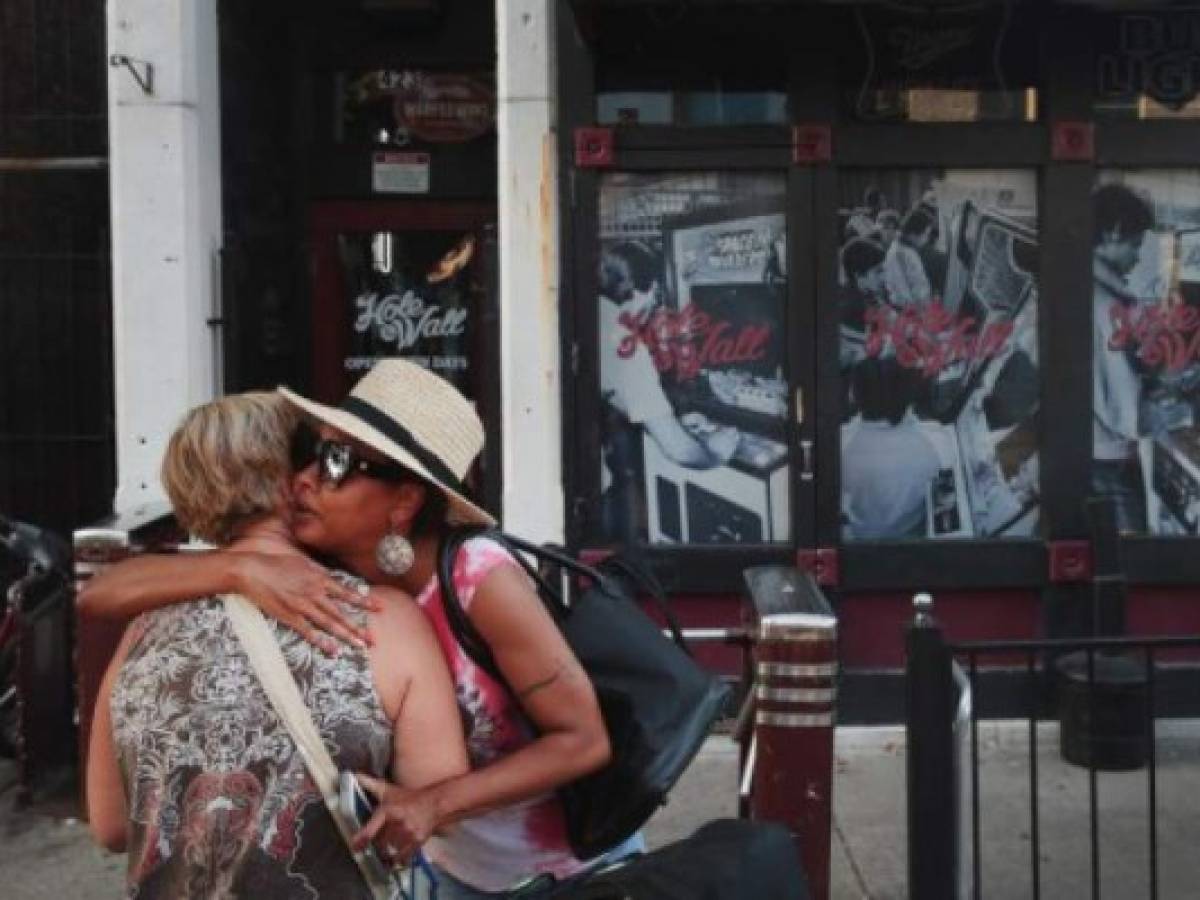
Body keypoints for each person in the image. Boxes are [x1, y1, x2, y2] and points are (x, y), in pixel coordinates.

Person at [80, 360, 633, 898]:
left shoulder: (479, 579)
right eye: (313, 453)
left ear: (405, 501)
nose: (304, 478)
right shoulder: (335, 577)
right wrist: (239, 567)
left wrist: (434, 803)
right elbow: (99, 594)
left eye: (338, 462)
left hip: (559, 869)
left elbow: (584, 740)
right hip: (458, 868)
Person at [85, 391, 468, 898]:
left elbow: (111, 826)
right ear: (291, 478)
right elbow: (437, 807)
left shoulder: (140, 633)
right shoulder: (384, 620)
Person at [598, 241, 739, 544]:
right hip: (601, 495)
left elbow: (614, 395)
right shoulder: (627, 349)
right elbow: (680, 450)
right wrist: (717, 453)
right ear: (640, 291)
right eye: (655, 294)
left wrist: (665, 420)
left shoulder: (595, 318)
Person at [1092, 182, 1156, 533]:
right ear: (1113, 233)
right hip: (1109, 461)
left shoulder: (1074, 284)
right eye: (1136, 245)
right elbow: (1129, 411)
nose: (1137, 257)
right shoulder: (1110, 303)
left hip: (1084, 452)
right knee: (1132, 566)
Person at [841, 357, 942, 540]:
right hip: (910, 538)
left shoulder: (845, 451)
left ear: (856, 396)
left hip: (863, 537)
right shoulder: (925, 450)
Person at [883, 206, 937, 310]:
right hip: (910, 312)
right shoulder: (900, 253)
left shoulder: (904, 249)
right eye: (926, 234)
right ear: (913, 234)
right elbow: (904, 293)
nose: (927, 239)